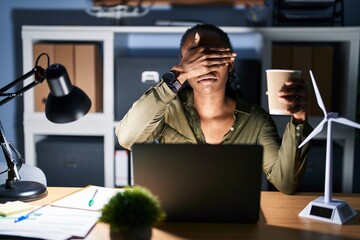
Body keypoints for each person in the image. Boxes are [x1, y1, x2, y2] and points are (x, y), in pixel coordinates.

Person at [115, 24, 313, 195]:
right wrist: (178, 74)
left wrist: (299, 118)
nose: (205, 67)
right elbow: (127, 138)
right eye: (196, 59)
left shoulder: (256, 121)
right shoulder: (166, 111)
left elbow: (286, 183)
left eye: (214, 56)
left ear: (230, 64)